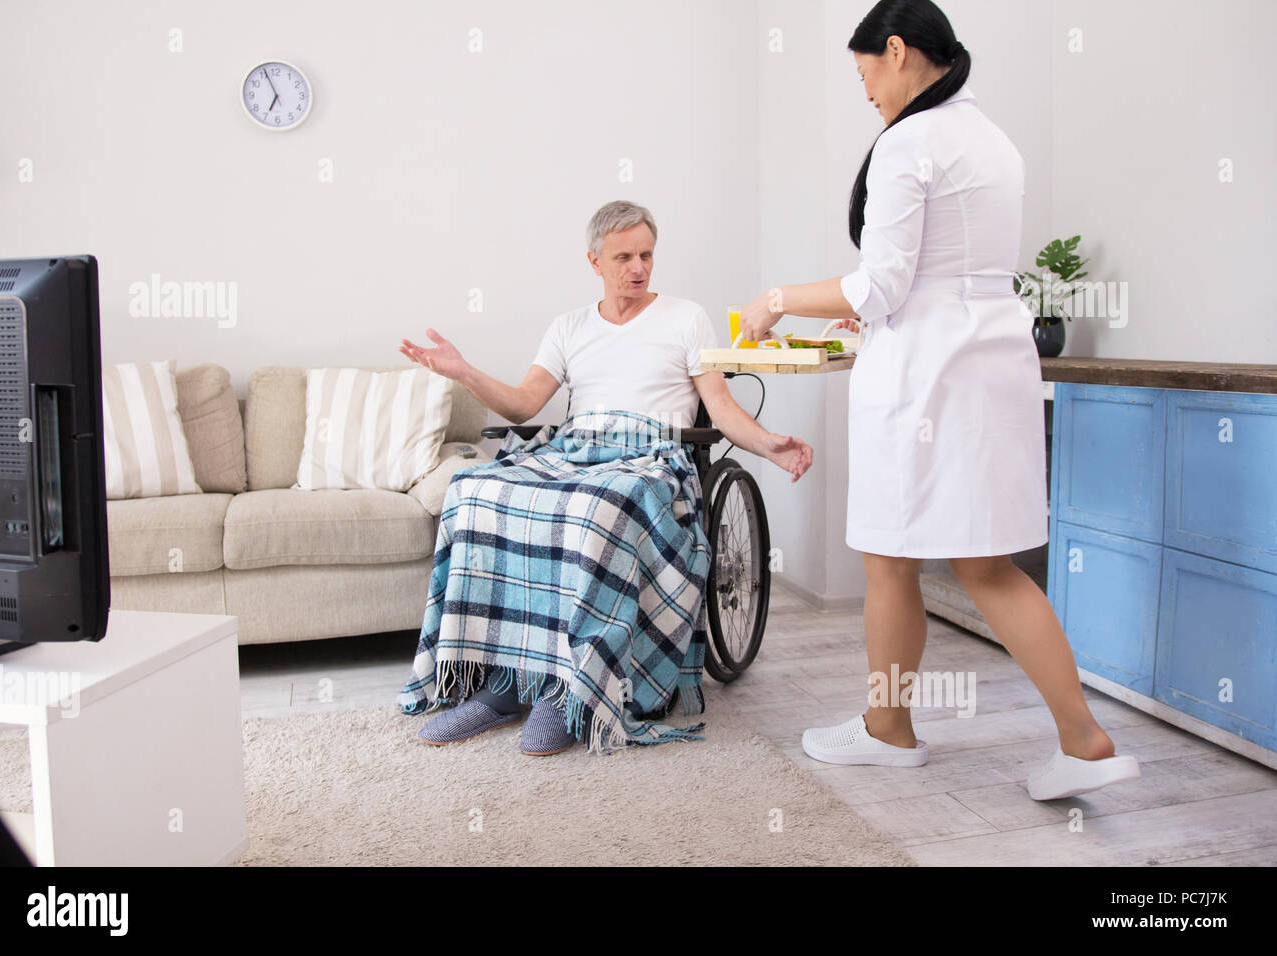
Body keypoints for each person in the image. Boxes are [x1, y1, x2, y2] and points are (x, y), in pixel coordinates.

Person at [738, 0, 1140, 800]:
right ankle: (1083, 738)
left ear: (896, 51)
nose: (865, 93)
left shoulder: (909, 142)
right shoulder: (993, 141)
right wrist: (890, 301)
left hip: (926, 380)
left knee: (889, 556)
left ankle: (889, 731)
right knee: (988, 563)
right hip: (992, 367)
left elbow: (882, 283)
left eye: (864, 74)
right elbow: (947, 272)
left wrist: (777, 298)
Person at [397, 199, 812, 755]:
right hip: (578, 447)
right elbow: (523, 406)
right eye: (623, 257)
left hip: (652, 458)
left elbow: (723, 405)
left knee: (599, 507)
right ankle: (503, 684)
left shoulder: (686, 317)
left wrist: (769, 444)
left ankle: (569, 689)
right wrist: (463, 371)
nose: (638, 267)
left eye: (646, 255)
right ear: (594, 261)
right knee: (474, 490)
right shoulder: (569, 326)